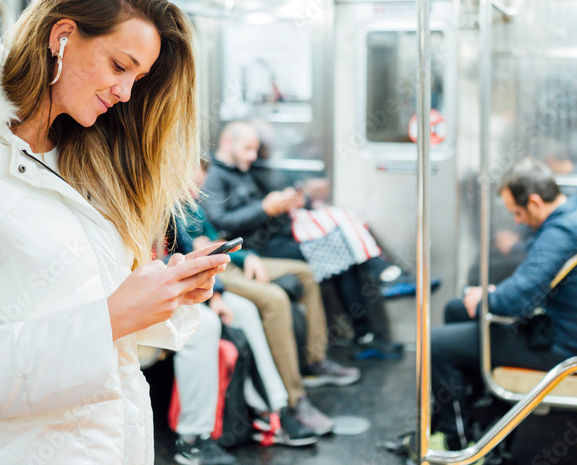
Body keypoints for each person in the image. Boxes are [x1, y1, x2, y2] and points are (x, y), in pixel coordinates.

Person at [0, 0, 232, 465]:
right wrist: (114, 315)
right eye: (119, 66)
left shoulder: (76, 160)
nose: (126, 93)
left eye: (138, 78)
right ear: (61, 36)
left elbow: (70, 305)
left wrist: (160, 296)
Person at [428, 158, 577, 450]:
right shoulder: (576, 212)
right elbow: (531, 285)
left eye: (517, 213)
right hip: (566, 329)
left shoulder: (561, 233)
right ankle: (479, 412)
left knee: (436, 344)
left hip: (560, 348)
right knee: (456, 309)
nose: (517, 221)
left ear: (534, 202)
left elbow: (515, 301)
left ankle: (459, 444)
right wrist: (491, 296)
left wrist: (487, 299)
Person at [202, 121, 402, 358]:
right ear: (227, 143)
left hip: (281, 234)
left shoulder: (242, 171)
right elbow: (219, 222)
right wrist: (264, 209)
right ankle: (376, 301)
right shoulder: (216, 177)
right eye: (247, 149)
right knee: (341, 252)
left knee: (343, 250)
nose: (253, 156)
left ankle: (367, 333)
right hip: (261, 247)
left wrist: (286, 202)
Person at [185, 171, 358, 431]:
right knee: (275, 300)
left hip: (231, 258)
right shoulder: (179, 204)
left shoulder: (196, 204)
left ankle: (314, 360)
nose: (201, 178)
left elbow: (216, 240)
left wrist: (247, 256)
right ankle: (294, 399)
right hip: (215, 269)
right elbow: (198, 248)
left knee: (305, 273)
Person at [167, 225, 319, 465]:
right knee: (204, 325)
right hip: (154, 290)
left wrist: (215, 292)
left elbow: (186, 248)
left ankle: (271, 410)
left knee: (245, 311)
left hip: (182, 282)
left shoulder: (168, 208)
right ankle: (192, 438)